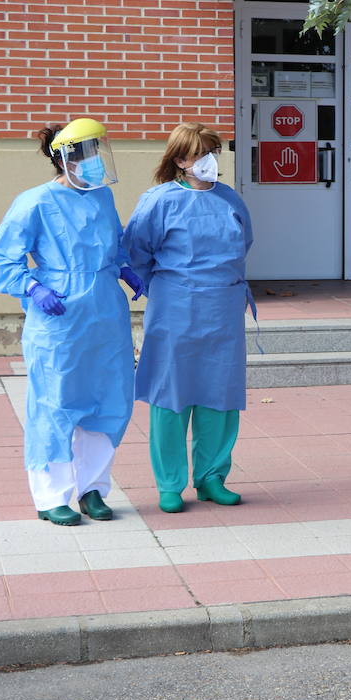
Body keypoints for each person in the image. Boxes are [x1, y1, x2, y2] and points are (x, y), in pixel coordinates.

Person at [0, 118, 144, 526]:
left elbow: (115, 242)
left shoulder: (101, 197)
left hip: (105, 313)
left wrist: (125, 268)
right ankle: (51, 496)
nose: (94, 161)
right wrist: (33, 288)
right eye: (87, 153)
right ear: (65, 159)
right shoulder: (35, 202)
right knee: (55, 402)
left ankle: (92, 489)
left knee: (108, 401)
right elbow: (3, 258)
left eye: (97, 151)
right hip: (60, 316)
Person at [123, 123, 254, 514]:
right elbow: (137, 251)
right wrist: (170, 284)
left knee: (221, 394)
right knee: (171, 395)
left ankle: (212, 477)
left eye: (214, 151)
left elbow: (243, 243)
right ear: (180, 160)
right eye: (201, 153)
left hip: (224, 308)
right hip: (175, 308)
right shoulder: (159, 201)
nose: (211, 160)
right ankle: (170, 483)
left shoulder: (230, 199)